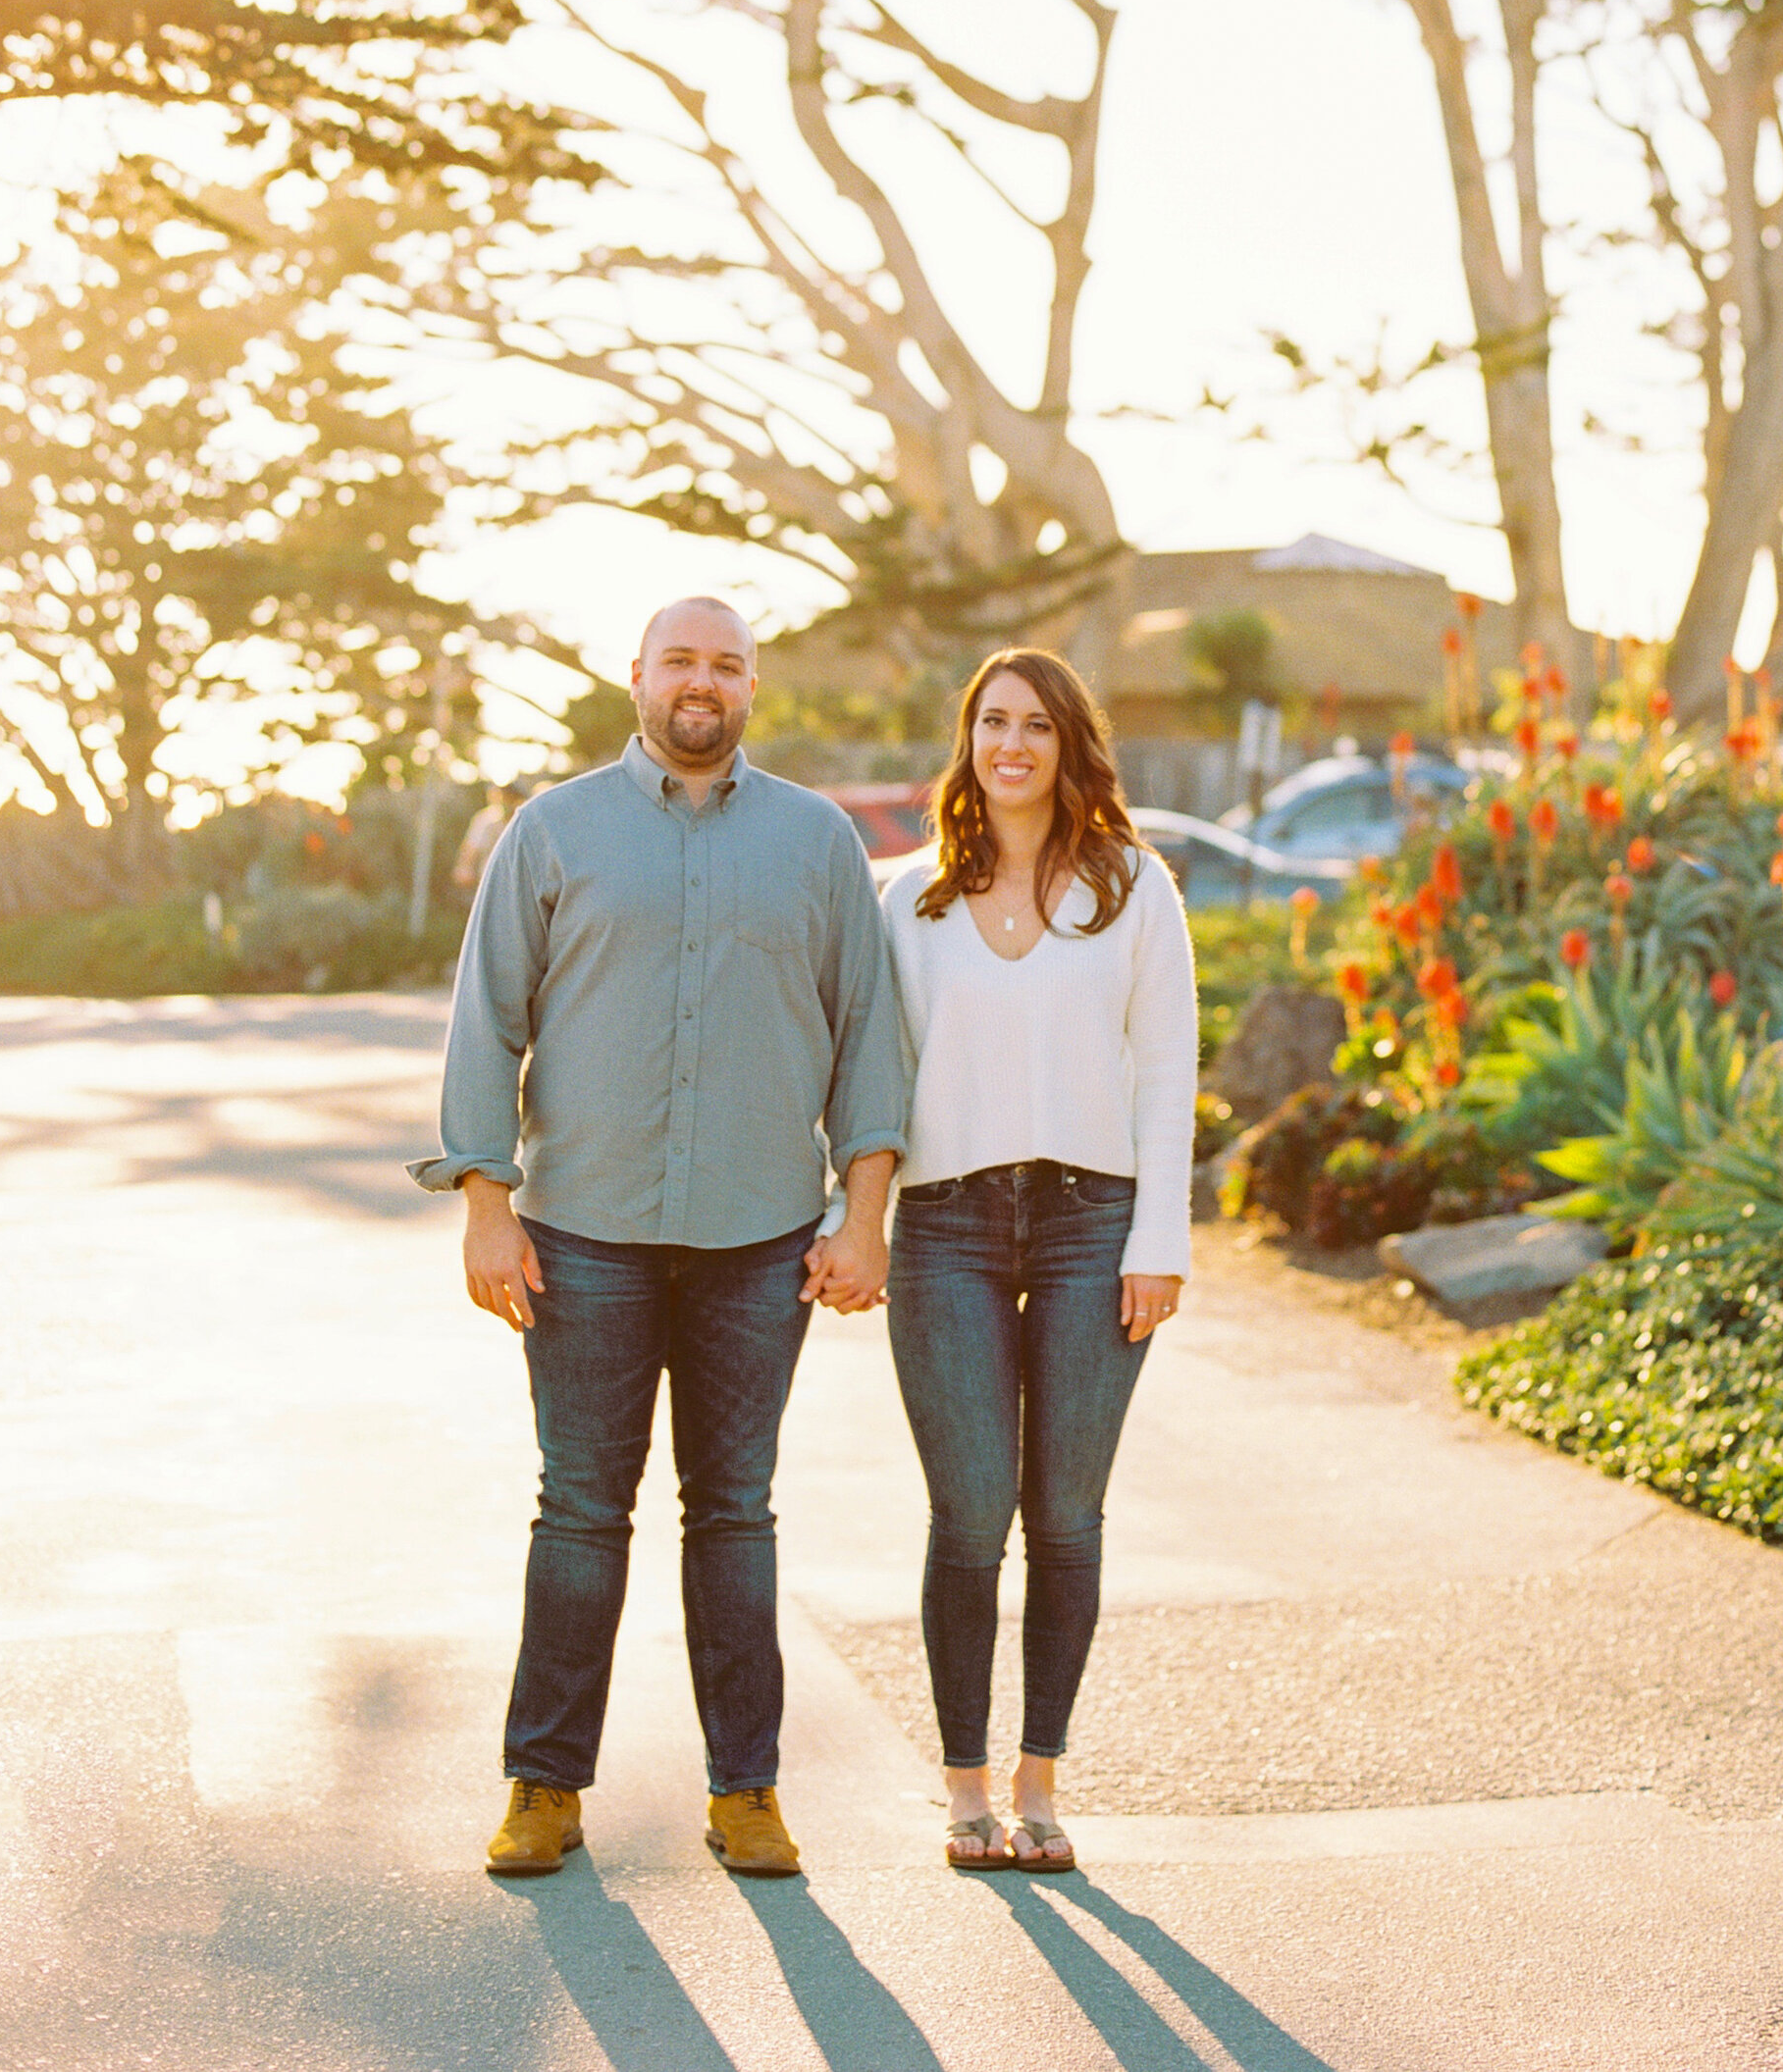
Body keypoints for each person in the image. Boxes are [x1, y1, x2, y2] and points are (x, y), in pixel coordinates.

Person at [409, 596, 910, 1882]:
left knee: (734, 1512)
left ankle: (746, 1789)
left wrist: (868, 1211)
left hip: (762, 1237)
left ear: (753, 686)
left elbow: (869, 1037)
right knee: (578, 1510)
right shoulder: (555, 829)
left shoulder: (817, 841)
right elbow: (487, 1019)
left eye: (727, 663)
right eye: (681, 658)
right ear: (637, 675)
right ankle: (542, 1786)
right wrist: (483, 1197)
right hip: (586, 1232)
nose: (703, 680)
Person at [879, 646, 1196, 1873]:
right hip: (945, 1225)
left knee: (1065, 1516)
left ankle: (1040, 1782)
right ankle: (965, 1789)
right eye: (991, 722)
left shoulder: (1131, 886)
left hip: (1091, 1225)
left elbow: (1169, 1071)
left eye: (1036, 726)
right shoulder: (906, 897)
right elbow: (865, 1072)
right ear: (969, 742)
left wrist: (1157, 1241)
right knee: (968, 1516)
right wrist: (847, 1213)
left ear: (1070, 747)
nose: (1010, 744)